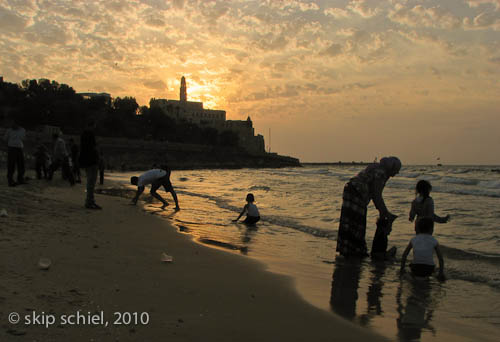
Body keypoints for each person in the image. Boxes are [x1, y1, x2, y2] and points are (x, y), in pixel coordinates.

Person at [336, 156, 401, 257]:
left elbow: (376, 195)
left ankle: (346, 248)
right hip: (358, 194)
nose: (397, 173)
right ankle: (356, 250)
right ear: (391, 168)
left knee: (349, 222)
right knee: (358, 222)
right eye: (396, 170)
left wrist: (383, 211)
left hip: (350, 189)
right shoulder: (381, 173)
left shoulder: (376, 168)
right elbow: (377, 195)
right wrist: (384, 212)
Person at [79, 121, 101, 209]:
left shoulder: (83, 135)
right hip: (92, 160)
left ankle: (90, 201)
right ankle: (89, 201)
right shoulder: (90, 135)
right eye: (93, 127)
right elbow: (94, 147)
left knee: (90, 181)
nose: (93, 129)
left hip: (86, 160)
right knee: (91, 182)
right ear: (90, 126)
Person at [4, 121, 26, 186]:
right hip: (11, 148)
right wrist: (7, 147)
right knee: (11, 164)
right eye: (12, 124)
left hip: (19, 148)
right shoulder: (9, 130)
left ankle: (20, 179)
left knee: (21, 164)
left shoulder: (22, 130)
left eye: (15, 124)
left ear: (18, 125)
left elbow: (23, 138)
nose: (13, 126)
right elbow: (5, 139)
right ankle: (10, 180)